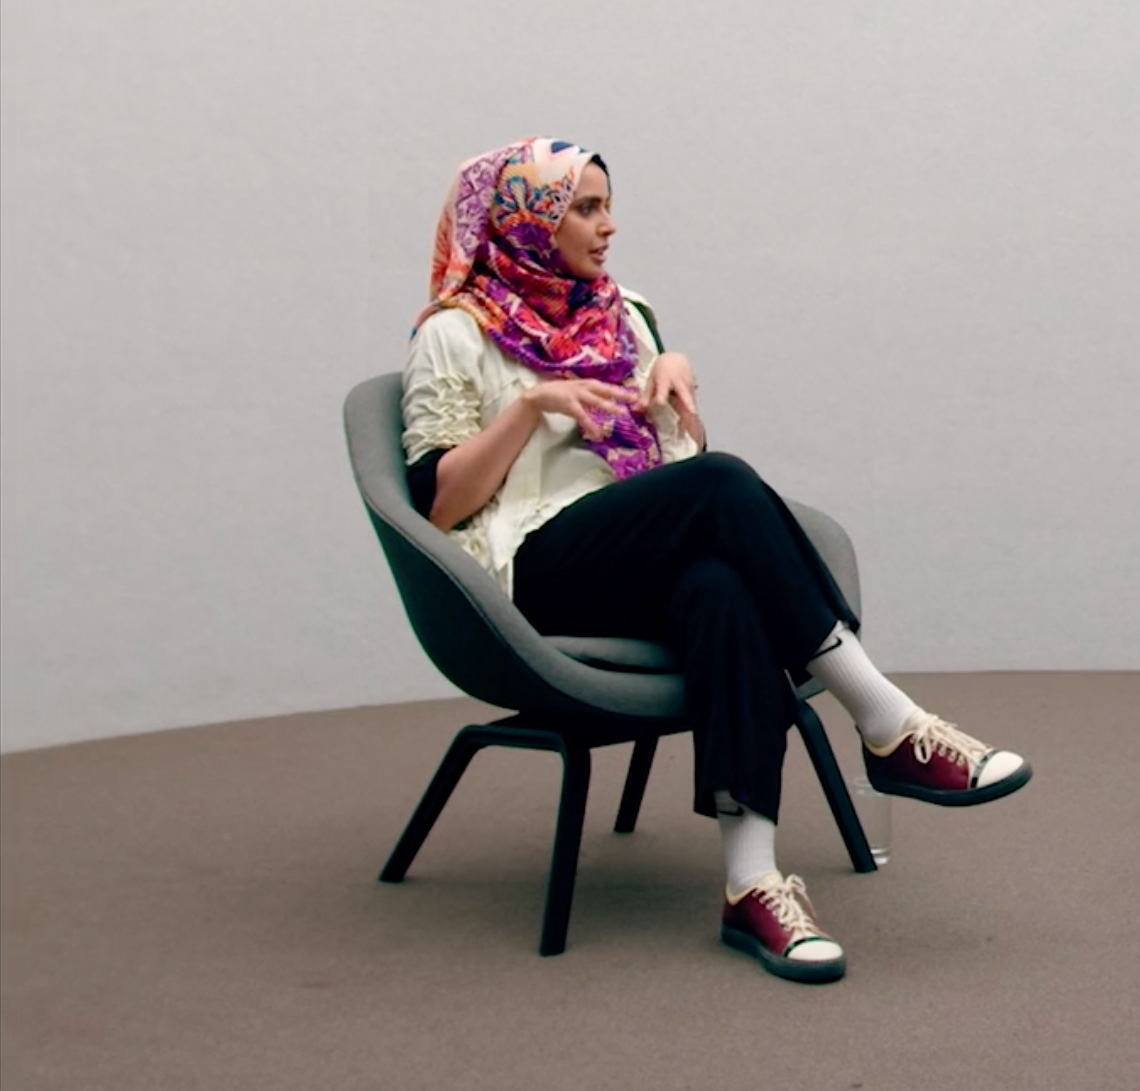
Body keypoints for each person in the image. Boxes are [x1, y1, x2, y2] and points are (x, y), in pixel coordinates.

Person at [400, 137, 1031, 984]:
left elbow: (675, 464)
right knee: (723, 487)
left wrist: (673, 376)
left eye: (607, 204)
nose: (608, 225)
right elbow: (438, 504)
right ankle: (886, 722)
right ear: (526, 219)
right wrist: (531, 410)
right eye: (584, 207)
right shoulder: (455, 334)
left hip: (632, 551)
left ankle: (752, 883)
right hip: (534, 569)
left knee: (720, 587)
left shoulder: (623, 313)